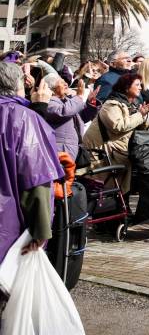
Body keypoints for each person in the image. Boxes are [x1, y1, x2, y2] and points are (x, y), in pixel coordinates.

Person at [0, 62, 62, 271]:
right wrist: (41, 231)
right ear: (19, 85)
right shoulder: (24, 119)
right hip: (7, 229)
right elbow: (36, 179)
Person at [80, 72, 149, 193]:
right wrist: (140, 114)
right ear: (126, 87)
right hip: (101, 155)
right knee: (102, 191)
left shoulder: (130, 105)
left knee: (117, 191)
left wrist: (144, 115)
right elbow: (118, 126)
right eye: (137, 85)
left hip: (115, 153)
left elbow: (140, 129)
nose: (140, 88)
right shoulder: (111, 104)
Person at [34, 72, 98, 160]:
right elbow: (63, 112)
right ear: (52, 88)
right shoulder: (48, 101)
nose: (66, 84)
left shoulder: (68, 101)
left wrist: (91, 102)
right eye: (61, 82)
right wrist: (79, 96)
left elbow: (83, 117)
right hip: (59, 149)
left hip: (72, 148)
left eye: (65, 81)